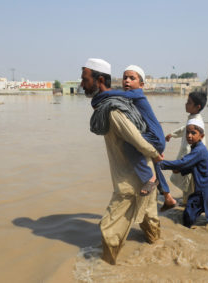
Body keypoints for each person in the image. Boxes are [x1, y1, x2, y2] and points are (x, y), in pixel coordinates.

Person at [81, 58, 162, 265]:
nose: (81, 84)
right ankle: (159, 259)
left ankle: (105, 272)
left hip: (131, 183)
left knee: (109, 232)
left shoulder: (113, 110)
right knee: (150, 223)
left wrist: (155, 153)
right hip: (145, 175)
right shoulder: (111, 105)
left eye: (84, 78)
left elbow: (135, 139)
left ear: (99, 80)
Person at [91, 65, 177, 210]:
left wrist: (99, 97)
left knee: (128, 144)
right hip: (156, 137)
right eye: (125, 77)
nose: (127, 81)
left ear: (141, 85)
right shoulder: (132, 98)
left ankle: (149, 178)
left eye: (132, 78)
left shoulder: (137, 94)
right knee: (155, 164)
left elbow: (120, 95)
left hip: (153, 137)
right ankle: (168, 198)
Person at [159, 119, 208, 228]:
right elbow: (192, 165)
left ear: (202, 136)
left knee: (188, 216)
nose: (189, 136)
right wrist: (181, 170)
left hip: (204, 188)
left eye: (193, 133)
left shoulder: (199, 150)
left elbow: (183, 162)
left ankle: (187, 230)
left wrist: (160, 164)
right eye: (187, 132)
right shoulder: (196, 148)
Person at [165, 91, 207, 205]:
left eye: (189, 102)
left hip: (191, 161)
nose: (186, 104)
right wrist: (173, 134)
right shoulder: (193, 118)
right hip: (191, 161)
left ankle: (188, 208)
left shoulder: (197, 122)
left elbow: (189, 149)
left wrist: (181, 165)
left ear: (197, 107)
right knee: (189, 187)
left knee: (189, 187)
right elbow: (184, 129)